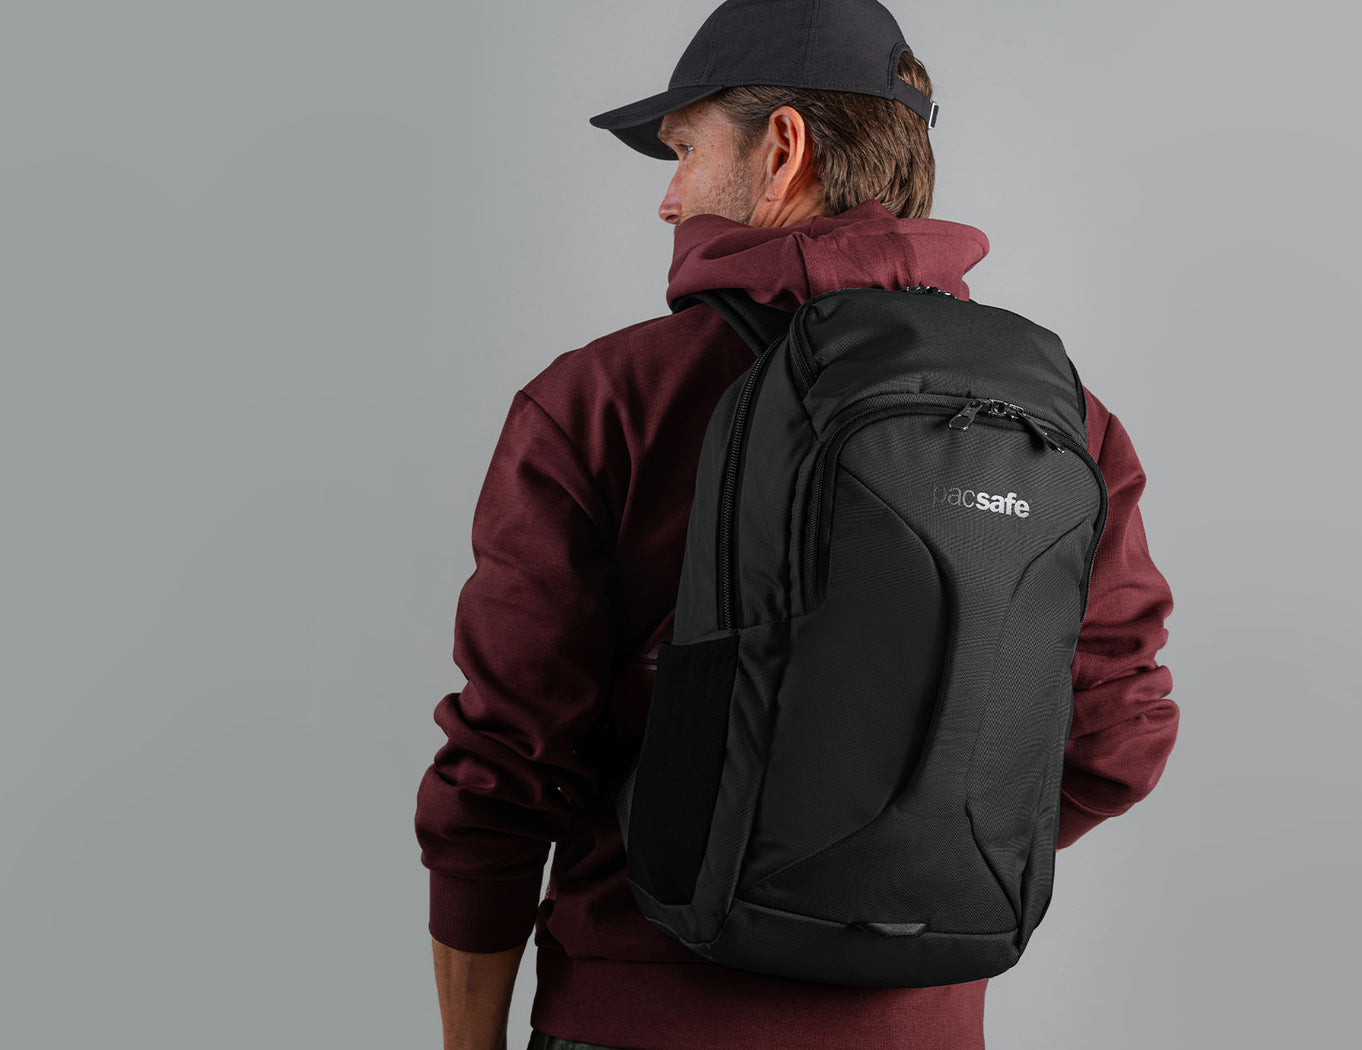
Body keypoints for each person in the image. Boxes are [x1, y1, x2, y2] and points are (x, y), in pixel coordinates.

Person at [414, 2, 1180, 1048]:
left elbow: (504, 769)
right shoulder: (1064, 420)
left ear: (781, 150)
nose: (668, 199)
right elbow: (1118, 737)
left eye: (684, 151)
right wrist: (904, 857)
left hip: (640, 1017)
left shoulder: (604, 399)